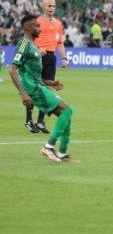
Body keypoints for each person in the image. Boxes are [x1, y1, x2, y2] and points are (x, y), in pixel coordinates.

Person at [9, 14, 75, 163]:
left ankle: (62, 154)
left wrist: (50, 83)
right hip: (34, 89)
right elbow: (12, 69)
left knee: (66, 116)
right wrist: (23, 93)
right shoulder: (24, 44)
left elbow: (31, 74)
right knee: (68, 110)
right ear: (27, 27)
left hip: (38, 85)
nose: (39, 28)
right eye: (36, 26)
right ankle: (48, 147)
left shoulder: (33, 45)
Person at [24, 0, 68, 134]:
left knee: (47, 89)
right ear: (43, 7)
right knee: (33, 88)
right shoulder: (37, 22)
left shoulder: (58, 24)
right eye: (49, 6)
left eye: (53, 6)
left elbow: (60, 43)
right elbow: (28, 39)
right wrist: (36, 49)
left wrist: (64, 57)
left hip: (50, 58)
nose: (52, 8)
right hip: (36, 57)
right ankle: (29, 120)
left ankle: (40, 121)